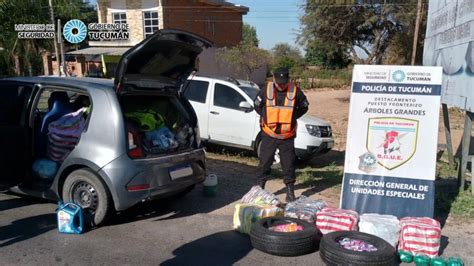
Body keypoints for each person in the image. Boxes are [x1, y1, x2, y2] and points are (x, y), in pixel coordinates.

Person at [254, 67, 309, 202]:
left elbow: (304, 106)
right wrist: (265, 116)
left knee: (288, 163)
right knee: (265, 162)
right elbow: (257, 105)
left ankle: (290, 191)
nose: (281, 85)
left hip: (287, 136)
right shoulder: (265, 90)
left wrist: (292, 117)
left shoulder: (295, 91)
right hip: (269, 134)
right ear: (274, 79)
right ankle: (259, 188)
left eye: (284, 82)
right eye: (279, 82)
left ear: (288, 80)